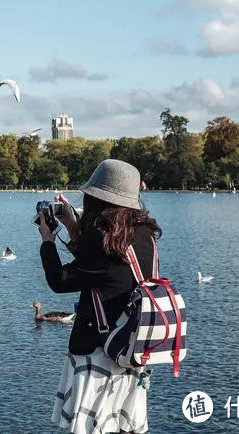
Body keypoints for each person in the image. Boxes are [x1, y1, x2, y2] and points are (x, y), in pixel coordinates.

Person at [36, 158, 161, 434]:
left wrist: (47, 241)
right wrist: (71, 225)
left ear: (97, 199)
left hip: (98, 353)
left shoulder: (104, 240)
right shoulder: (143, 234)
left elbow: (61, 280)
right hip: (129, 349)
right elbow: (99, 272)